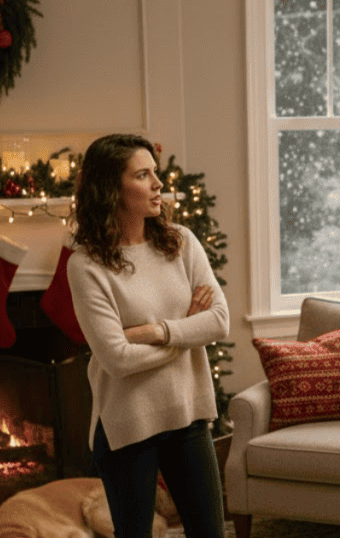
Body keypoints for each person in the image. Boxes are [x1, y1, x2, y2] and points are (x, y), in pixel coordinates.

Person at [67, 134, 229, 538]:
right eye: (143, 175)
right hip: (127, 424)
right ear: (111, 190)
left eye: (155, 172)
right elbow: (117, 359)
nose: (158, 183)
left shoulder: (182, 242)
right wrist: (186, 337)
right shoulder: (86, 265)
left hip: (187, 413)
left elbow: (219, 321)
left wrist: (158, 332)